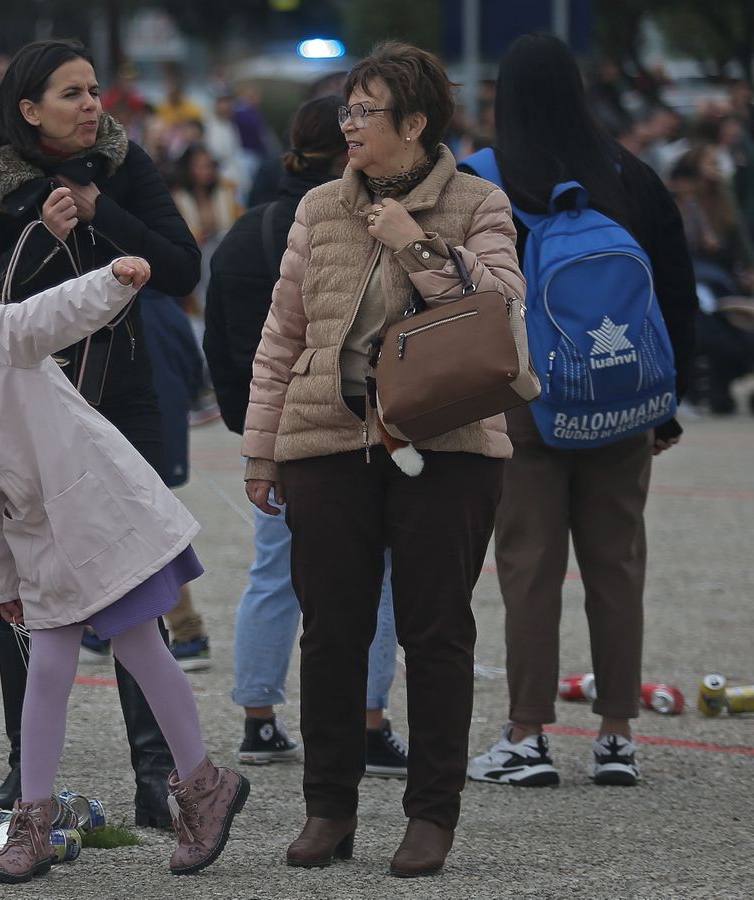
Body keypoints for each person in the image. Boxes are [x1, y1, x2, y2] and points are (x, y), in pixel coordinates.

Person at [0, 232, 248, 883]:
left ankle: (203, 785)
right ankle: (34, 820)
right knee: (49, 666)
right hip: (34, 531)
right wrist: (3, 575)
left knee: (139, 646)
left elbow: (44, 318)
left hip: (94, 505)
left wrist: (114, 281)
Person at [242, 42, 521, 877]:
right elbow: (282, 334)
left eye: (365, 112)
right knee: (332, 633)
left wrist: (417, 244)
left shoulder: (478, 201)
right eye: (346, 111)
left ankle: (431, 815)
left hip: (451, 442)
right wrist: (262, 448)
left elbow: (505, 309)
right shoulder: (321, 206)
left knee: (437, 632)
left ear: (415, 123)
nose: (349, 125)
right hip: (328, 439)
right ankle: (329, 808)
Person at [0, 38, 201, 823]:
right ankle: (27, 769)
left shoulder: (122, 165)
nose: (93, 105)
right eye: (72, 94)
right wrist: (42, 237)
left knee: (134, 584)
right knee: (29, 592)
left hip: (121, 393)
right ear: (29, 111)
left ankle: (158, 772)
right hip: (28, 408)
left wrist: (104, 215)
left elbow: (182, 267)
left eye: (94, 90)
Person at [460, 33, 696, 790]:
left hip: (526, 401)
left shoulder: (484, 180)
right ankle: (618, 736)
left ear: (506, 99)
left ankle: (527, 737)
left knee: (528, 567)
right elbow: (676, 299)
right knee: (617, 564)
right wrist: (666, 403)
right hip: (623, 401)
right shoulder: (629, 176)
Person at [205, 95, 410, 777]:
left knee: (274, 575)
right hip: (356, 424)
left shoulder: (247, 233)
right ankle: (370, 722)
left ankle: (258, 720)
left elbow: (225, 344)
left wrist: (250, 425)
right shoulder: (357, 226)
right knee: (374, 575)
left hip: (281, 428)